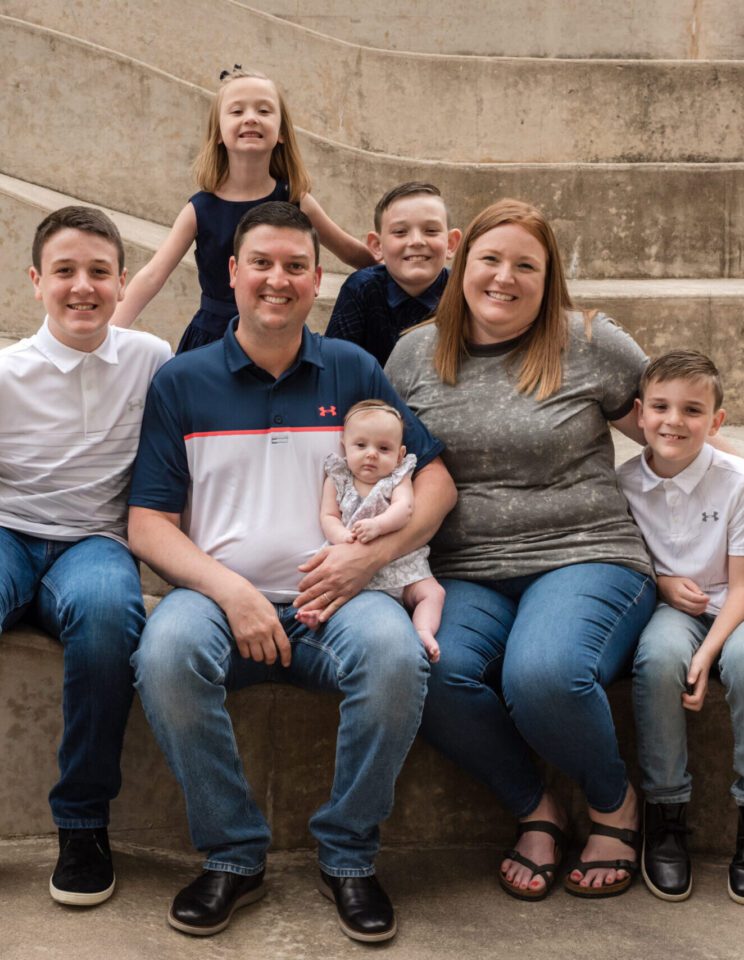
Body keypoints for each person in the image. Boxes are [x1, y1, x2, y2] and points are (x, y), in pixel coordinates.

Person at [127, 202, 456, 941]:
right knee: (166, 652)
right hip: (219, 598)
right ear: (233, 273)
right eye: (264, 264)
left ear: (317, 281)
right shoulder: (181, 380)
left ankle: (346, 856)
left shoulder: (353, 368)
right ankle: (234, 855)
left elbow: (435, 481)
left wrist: (364, 559)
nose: (279, 280)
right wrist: (230, 590)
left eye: (297, 266)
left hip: (347, 597)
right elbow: (148, 522)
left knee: (398, 658)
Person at [385, 197, 657, 901]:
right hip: (465, 569)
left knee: (543, 676)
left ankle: (613, 803)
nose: (505, 278)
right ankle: (536, 808)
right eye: (490, 260)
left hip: (586, 554)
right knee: (426, 671)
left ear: (549, 276)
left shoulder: (591, 341)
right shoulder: (415, 353)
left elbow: (675, 436)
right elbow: (381, 469)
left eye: (525, 266)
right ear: (461, 265)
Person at [0, 206, 171, 906]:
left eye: (99, 272)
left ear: (122, 281)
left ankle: (82, 824)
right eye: (65, 271)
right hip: (8, 531)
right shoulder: (7, 371)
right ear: (37, 281)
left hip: (94, 543)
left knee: (108, 616)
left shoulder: (150, 358)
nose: (82, 287)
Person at [111, 66, 373, 351]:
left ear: (282, 132)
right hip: (213, 342)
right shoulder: (199, 209)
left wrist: (397, 265)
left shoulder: (296, 200)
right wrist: (107, 337)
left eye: (264, 111)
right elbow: (152, 275)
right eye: (237, 112)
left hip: (279, 337)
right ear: (219, 133)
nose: (251, 118)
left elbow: (351, 253)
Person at [616, 350, 744, 904]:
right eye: (662, 407)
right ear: (640, 414)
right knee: (660, 657)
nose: (674, 421)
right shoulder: (623, 483)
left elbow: (740, 589)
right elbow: (630, 557)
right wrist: (664, 582)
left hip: (735, 608)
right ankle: (666, 817)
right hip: (675, 608)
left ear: (715, 422)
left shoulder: (736, 481)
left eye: (693, 410)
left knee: (742, 662)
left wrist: (709, 652)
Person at [297, 399, 444, 662]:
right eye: (361, 445)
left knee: (433, 593)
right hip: (350, 562)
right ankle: (315, 615)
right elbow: (328, 515)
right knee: (328, 588)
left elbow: (404, 509)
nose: (371, 454)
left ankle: (423, 630)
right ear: (345, 446)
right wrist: (341, 536)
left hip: (399, 562)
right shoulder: (338, 477)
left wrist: (378, 525)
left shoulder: (397, 478)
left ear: (400, 455)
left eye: (383, 448)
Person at [324, 181, 461, 366]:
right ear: (377, 246)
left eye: (431, 231)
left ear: (451, 243)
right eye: (400, 232)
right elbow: (335, 366)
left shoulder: (463, 291)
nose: (416, 241)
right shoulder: (361, 289)